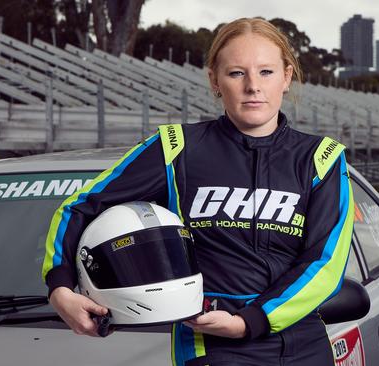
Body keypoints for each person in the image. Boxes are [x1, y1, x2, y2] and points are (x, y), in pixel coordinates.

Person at [42, 17, 354, 366]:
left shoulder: (323, 158)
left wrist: (249, 322)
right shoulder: (176, 148)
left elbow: (324, 262)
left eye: (266, 72)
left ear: (287, 77)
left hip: (305, 344)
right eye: (236, 73)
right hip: (210, 341)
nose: (253, 86)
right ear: (214, 81)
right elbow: (80, 207)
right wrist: (60, 288)